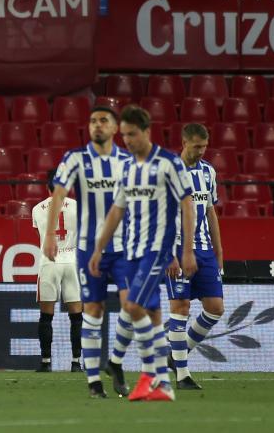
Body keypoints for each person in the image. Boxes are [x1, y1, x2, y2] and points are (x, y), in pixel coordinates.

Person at [88, 106, 197, 402]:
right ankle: (162, 383)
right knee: (151, 314)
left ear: (147, 132)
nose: (127, 140)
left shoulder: (169, 163)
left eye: (132, 134)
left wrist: (185, 250)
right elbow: (117, 210)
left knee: (132, 306)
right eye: (123, 135)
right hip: (131, 251)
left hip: (157, 250)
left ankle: (149, 376)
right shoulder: (127, 167)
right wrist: (99, 247)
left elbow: (188, 205)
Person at [43, 107, 132, 397]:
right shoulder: (75, 159)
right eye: (93, 120)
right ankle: (94, 382)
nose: (97, 125)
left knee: (132, 306)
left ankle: (115, 361)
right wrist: (50, 235)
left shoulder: (128, 161)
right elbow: (58, 194)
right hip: (87, 249)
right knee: (92, 312)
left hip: (122, 248)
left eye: (103, 120)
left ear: (115, 127)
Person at [166, 123, 225, 390]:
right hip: (177, 248)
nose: (201, 151)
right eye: (196, 146)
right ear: (184, 142)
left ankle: (176, 354)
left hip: (204, 249)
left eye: (204, 146)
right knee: (181, 309)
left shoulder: (208, 171)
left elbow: (211, 212)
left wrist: (219, 250)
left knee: (215, 308)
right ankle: (182, 375)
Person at [34, 170, 81, 374]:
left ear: (47, 186)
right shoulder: (78, 207)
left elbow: (40, 235)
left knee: (46, 316)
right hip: (72, 261)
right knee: (76, 316)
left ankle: (45, 362)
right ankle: (76, 363)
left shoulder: (37, 208)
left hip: (49, 261)